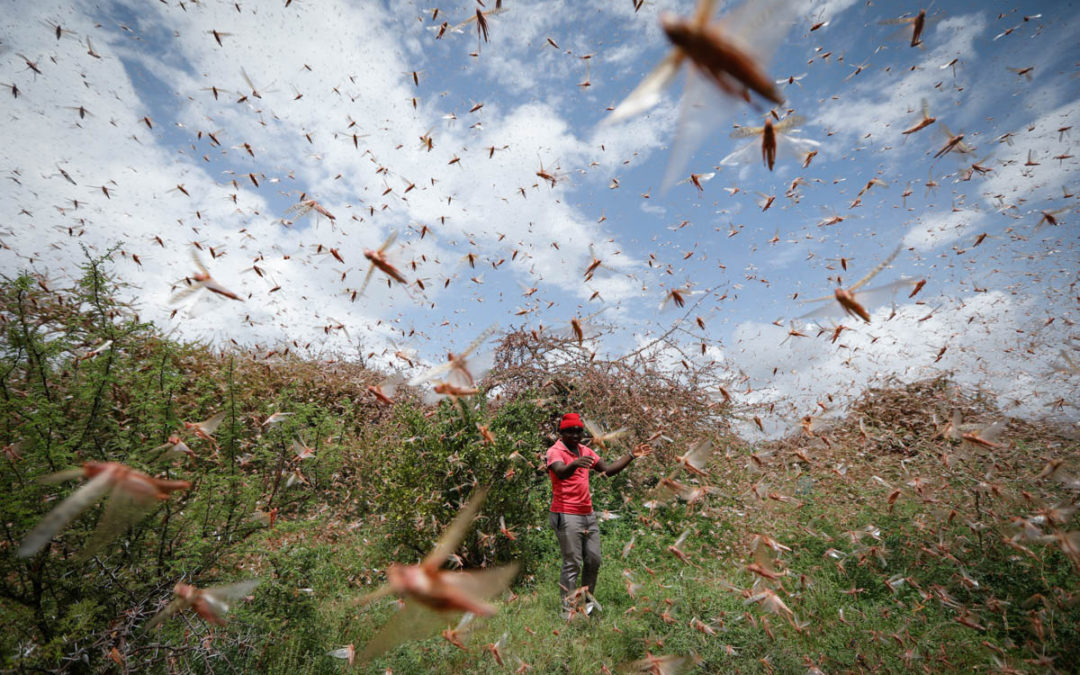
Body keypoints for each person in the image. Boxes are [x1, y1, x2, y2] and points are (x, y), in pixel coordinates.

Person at [546, 412, 645, 617]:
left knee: (593, 560)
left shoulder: (585, 450)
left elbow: (607, 470)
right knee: (572, 562)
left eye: (578, 431)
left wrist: (631, 455)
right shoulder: (555, 451)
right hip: (565, 513)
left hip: (587, 514)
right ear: (561, 432)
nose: (575, 434)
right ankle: (567, 612)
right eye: (570, 431)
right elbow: (560, 471)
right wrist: (574, 464)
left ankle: (586, 607)